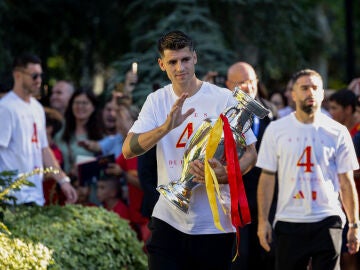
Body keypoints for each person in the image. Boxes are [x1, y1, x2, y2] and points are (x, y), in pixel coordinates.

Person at [122, 30, 258, 270]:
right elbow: (128, 150)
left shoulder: (224, 98)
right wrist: (165, 128)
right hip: (168, 220)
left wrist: (226, 174)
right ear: (162, 64)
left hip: (214, 225)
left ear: (195, 57)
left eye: (185, 59)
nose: (180, 67)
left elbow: (251, 153)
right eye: (172, 62)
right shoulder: (156, 101)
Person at [257, 69, 360, 270]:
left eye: (315, 88)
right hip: (289, 220)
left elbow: (346, 182)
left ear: (322, 94)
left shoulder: (338, 132)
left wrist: (354, 224)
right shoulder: (276, 130)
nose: (310, 93)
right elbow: (267, 178)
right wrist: (263, 222)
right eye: (304, 88)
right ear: (293, 94)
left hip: (328, 219)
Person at [0, 53, 77, 206]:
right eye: (34, 76)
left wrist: (63, 180)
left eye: (40, 75)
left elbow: (43, 148)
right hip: (11, 197)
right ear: (18, 75)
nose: (39, 81)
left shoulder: (37, 108)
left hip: (35, 195)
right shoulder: (6, 108)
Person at [226, 61, 277, 270]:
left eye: (250, 81)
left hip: (267, 202)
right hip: (234, 204)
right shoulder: (221, 115)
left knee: (268, 257)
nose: (248, 87)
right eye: (241, 83)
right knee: (240, 260)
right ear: (229, 85)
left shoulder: (272, 113)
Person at [328, 88, 360, 269]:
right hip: (341, 206)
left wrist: (343, 171)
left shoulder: (358, 132)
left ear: (348, 109)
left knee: (351, 255)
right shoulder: (334, 132)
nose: (330, 113)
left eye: (334, 108)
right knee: (345, 255)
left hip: (356, 203)